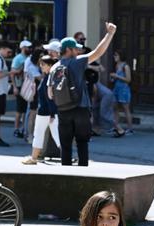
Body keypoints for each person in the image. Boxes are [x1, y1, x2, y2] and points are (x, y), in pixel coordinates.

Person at [50, 24, 116, 167]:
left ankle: (66, 176)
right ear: (68, 50)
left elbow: (50, 94)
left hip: (63, 110)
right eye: (75, 48)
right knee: (82, 143)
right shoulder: (77, 62)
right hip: (81, 108)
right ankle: (83, 174)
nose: (78, 50)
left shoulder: (54, 67)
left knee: (66, 146)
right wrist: (109, 34)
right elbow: (98, 52)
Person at [23, 55, 60, 165]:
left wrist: (52, 113)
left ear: (50, 66)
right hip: (49, 111)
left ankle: (34, 158)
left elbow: (50, 98)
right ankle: (34, 157)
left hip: (46, 112)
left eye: (43, 64)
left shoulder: (49, 78)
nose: (41, 67)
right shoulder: (49, 77)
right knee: (56, 135)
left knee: (40, 134)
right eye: (40, 64)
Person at [11, 39, 33, 139]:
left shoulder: (28, 57)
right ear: (23, 48)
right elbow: (12, 73)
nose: (29, 49)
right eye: (28, 47)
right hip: (20, 85)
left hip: (26, 85)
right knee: (19, 110)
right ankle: (16, 129)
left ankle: (24, 128)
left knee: (25, 110)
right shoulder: (18, 58)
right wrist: (14, 87)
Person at [21, 46, 42, 141]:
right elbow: (41, 78)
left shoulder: (36, 66)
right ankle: (30, 135)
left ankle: (32, 134)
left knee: (34, 114)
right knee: (32, 115)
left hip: (37, 93)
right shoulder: (32, 67)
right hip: (34, 94)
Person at [111, 51, 133, 135]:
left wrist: (117, 76)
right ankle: (116, 126)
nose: (114, 56)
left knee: (125, 108)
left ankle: (130, 128)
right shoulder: (116, 66)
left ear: (120, 56)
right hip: (116, 88)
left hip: (124, 89)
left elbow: (128, 79)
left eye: (116, 55)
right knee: (115, 108)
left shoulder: (125, 66)